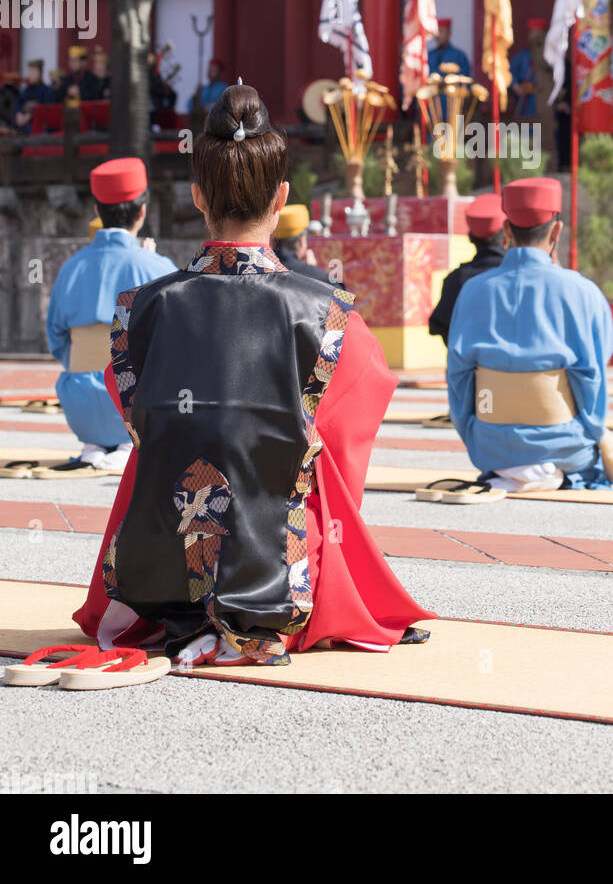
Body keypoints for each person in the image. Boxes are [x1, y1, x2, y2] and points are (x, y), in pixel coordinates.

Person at [74, 83, 433, 666]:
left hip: (158, 563)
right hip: (281, 569)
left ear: (196, 196)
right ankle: (266, 610)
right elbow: (344, 443)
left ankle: (183, 599)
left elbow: (145, 429)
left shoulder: (138, 309)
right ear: (282, 195)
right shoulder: (330, 313)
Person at [441, 177, 613, 501]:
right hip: (567, 446)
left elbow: (458, 376)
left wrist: (475, 435)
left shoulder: (473, 291)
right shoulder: (582, 291)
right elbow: (594, 374)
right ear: (557, 232)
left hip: (489, 449)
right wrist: (591, 434)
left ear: (506, 231)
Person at [43, 158, 177, 476]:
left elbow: (56, 340)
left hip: (79, 406)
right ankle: (124, 444)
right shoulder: (157, 267)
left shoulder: (71, 267)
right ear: (142, 210)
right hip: (135, 408)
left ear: (96, 210)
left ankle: (95, 444)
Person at [429, 194, 506, 344]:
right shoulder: (522, 275)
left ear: (471, 237)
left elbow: (441, 326)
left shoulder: (457, 280)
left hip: (468, 365)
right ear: (507, 235)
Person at [272, 201, 344, 289]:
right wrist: (312, 270)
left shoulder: (258, 272)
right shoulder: (323, 279)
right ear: (302, 241)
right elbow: (344, 302)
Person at [508, 20, 547, 118]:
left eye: (538, 34)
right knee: (527, 130)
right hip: (527, 102)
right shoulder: (523, 56)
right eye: (532, 33)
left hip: (546, 102)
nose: (534, 37)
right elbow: (508, 73)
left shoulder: (551, 56)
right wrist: (517, 87)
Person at [13, 59, 51, 130]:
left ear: (39, 73)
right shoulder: (27, 90)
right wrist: (19, 114)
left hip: (35, 124)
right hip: (22, 122)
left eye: (33, 72)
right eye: (29, 71)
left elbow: (45, 109)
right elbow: (18, 103)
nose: (30, 74)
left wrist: (30, 116)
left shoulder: (46, 90)